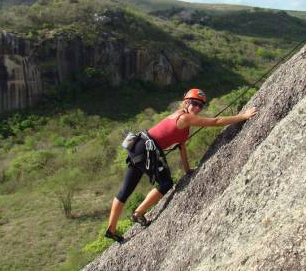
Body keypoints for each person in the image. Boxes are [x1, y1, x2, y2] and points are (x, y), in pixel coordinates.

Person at [105, 88, 258, 242]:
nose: (197, 108)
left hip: (139, 146)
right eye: (194, 103)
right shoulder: (185, 118)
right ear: (186, 102)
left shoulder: (181, 118)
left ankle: (111, 229)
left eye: (200, 106)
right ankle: (138, 214)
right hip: (146, 149)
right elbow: (215, 122)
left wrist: (187, 169)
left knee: (126, 190)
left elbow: (182, 146)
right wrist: (243, 116)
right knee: (165, 183)